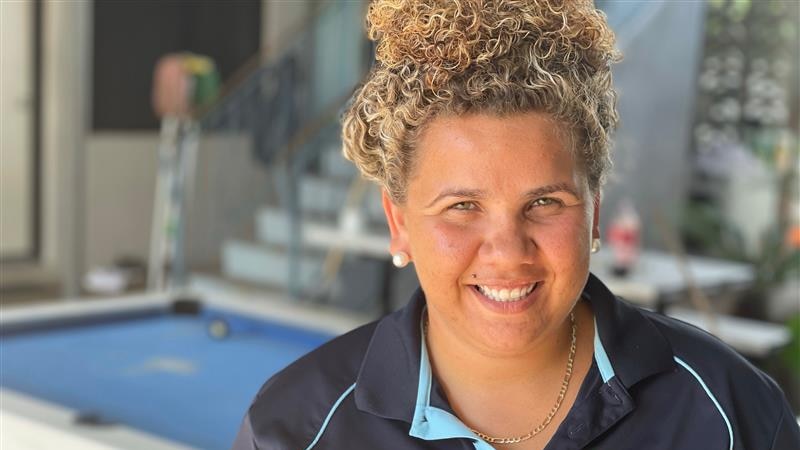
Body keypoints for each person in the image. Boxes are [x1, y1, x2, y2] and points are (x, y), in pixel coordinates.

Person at [232, 1, 800, 449]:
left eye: (546, 202)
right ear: (398, 223)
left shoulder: (732, 416)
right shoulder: (293, 429)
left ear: (595, 211)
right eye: (461, 206)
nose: (507, 252)